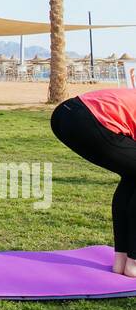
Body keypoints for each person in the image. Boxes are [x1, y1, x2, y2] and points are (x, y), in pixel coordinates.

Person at [50, 87, 136, 277]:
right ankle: (133, 264)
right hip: (88, 118)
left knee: (132, 175)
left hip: (64, 114)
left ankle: (122, 260)